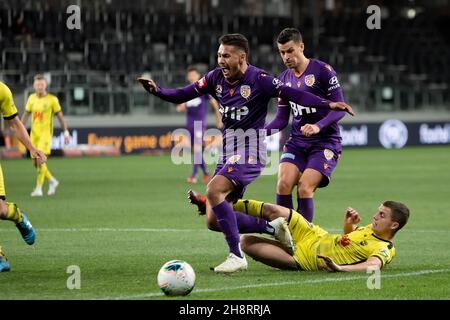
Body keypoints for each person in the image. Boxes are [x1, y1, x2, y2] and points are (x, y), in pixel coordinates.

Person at [138, 33, 354, 273]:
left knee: (214, 189)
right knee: (212, 220)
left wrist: (328, 104)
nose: (220, 60)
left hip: (250, 147)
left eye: (226, 55)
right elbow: (183, 93)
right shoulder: (214, 78)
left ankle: (237, 254)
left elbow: (295, 95)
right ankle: (273, 228)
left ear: (241, 57)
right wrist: (157, 90)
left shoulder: (260, 79)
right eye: (219, 55)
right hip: (228, 148)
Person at [265, 28, 348, 222]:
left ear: (301, 47)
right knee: (283, 184)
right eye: (282, 52)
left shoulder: (323, 71)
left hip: (325, 142)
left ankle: (304, 240)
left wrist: (318, 126)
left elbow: (339, 108)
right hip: (297, 142)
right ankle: (286, 235)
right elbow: (281, 120)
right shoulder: (283, 79)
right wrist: (258, 132)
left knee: (304, 187)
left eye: (290, 50)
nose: (286, 56)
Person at [232, 198, 409, 272]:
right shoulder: (372, 228)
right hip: (314, 235)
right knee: (273, 210)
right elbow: (350, 242)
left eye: (382, 215)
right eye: (378, 212)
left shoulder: (385, 248)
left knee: (246, 241)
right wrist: (349, 225)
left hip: (307, 258)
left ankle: (276, 233)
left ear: (394, 225)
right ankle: (224, 203)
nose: (375, 216)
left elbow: (373, 266)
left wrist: (340, 269)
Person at [0, 81, 47, 272]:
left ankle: (18, 216)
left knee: (1, 211)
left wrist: (32, 148)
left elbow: (14, 123)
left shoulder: (2, 91)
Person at [21, 74, 70, 197]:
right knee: (35, 163)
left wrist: (66, 131)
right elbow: (26, 114)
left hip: (45, 135)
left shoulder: (52, 100)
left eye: (42, 84)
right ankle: (52, 181)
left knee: (40, 160)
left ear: (45, 85)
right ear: (34, 85)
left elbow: (60, 117)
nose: (39, 87)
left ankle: (38, 188)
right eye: (37, 84)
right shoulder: (31, 98)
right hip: (34, 135)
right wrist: (20, 127)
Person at [176, 65, 222, 184]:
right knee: (196, 150)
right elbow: (182, 105)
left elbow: (214, 103)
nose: (191, 77)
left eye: (193, 74)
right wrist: (181, 106)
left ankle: (194, 175)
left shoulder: (202, 89)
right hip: (190, 124)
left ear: (198, 76)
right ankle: (206, 174)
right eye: (189, 75)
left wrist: (218, 118)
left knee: (197, 149)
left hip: (199, 124)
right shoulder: (187, 90)